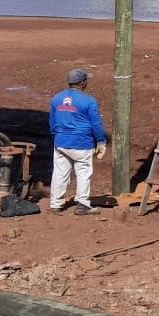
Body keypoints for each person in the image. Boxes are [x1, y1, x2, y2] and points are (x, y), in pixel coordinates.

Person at [48, 67, 107, 215]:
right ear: (82, 83)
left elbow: (52, 122)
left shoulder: (56, 98)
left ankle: (56, 203)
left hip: (61, 142)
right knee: (83, 172)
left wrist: (56, 137)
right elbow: (96, 124)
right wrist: (101, 141)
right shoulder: (88, 100)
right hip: (82, 143)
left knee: (60, 173)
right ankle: (82, 204)